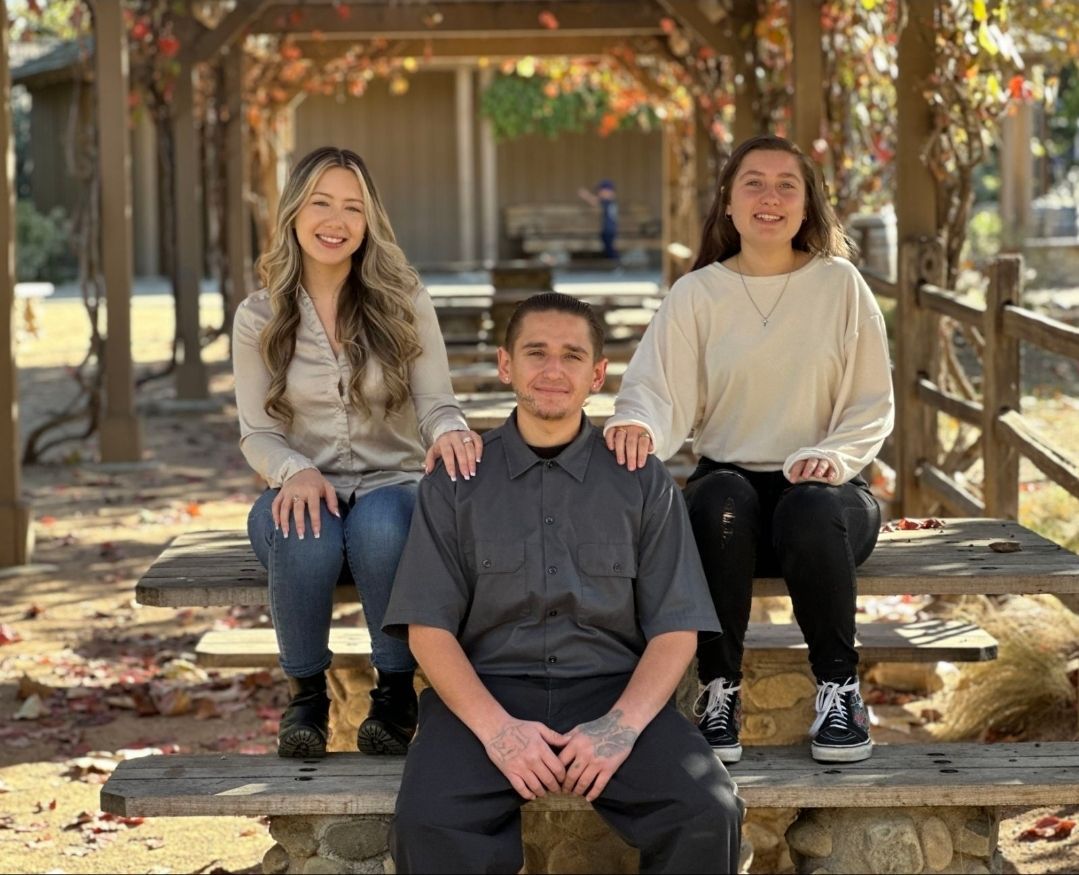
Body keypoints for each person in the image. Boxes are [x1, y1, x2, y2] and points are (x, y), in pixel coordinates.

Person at [383, 292, 743, 874]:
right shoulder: (457, 479)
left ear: (597, 375)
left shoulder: (640, 479)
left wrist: (619, 729)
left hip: (613, 691)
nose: (553, 370)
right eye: (536, 352)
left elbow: (676, 628)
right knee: (429, 822)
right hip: (487, 694)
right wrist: (498, 732)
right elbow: (428, 627)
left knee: (707, 812)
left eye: (572, 355)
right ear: (506, 365)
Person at [605, 135, 894, 765]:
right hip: (730, 503)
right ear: (729, 203)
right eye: (753, 183)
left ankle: (840, 693)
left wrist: (835, 457)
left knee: (809, 506)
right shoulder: (697, 294)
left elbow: (872, 402)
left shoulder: (840, 285)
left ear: (808, 204)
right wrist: (638, 426)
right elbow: (655, 389)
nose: (771, 197)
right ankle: (719, 693)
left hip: (830, 496)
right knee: (718, 502)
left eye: (788, 184)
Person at [232, 146, 482, 759]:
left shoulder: (404, 301)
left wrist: (451, 431)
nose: (335, 220)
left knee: (382, 524)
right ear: (294, 212)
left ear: (369, 221)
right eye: (321, 203)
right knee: (302, 528)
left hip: (391, 488)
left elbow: (436, 402)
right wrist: (294, 470)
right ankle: (305, 700)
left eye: (353, 207)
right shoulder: (258, 316)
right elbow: (257, 433)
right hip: (300, 491)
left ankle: (395, 693)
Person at [578, 179, 619, 260]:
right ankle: (613, 261)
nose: (599, 193)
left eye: (601, 191)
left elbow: (595, 201)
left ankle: (615, 262)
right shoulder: (611, 201)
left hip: (609, 230)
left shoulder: (608, 201)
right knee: (607, 247)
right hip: (608, 229)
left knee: (610, 249)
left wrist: (586, 195)